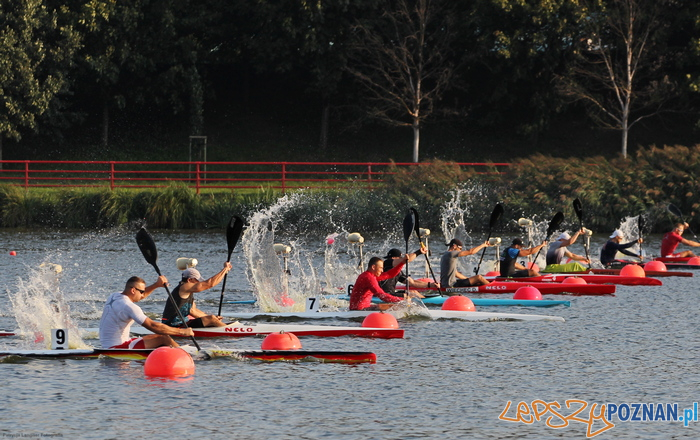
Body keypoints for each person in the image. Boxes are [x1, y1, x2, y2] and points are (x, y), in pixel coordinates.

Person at [99, 276, 193, 349]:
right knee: (163, 338)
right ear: (133, 290)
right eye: (141, 291)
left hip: (111, 344)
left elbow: (140, 296)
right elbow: (153, 326)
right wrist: (182, 331)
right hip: (117, 348)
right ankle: (185, 355)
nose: (143, 294)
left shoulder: (114, 296)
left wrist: (156, 285)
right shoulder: (129, 306)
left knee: (154, 338)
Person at [161, 263, 232, 328]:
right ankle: (230, 331)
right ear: (189, 280)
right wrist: (225, 269)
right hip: (172, 324)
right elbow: (209, 284)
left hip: (182, 322)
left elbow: (193, 311)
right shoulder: (184, 287)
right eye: (197, 281)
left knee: (212, 319)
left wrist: (212, 319)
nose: (199, 283)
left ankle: (226, 328)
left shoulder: (187, 292)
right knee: (212, 319)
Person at [349, 257, 422, 310]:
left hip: (363, 307)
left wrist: (402, 263)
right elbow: (382, 296)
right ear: (373, 267)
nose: (382, 270)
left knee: (395, 307)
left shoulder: (371, 275)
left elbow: (390, 274)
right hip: (359, 310)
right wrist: (401, 300)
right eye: (380, 268)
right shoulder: (368, 277)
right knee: (397, 307)